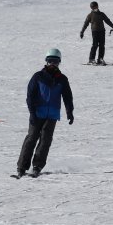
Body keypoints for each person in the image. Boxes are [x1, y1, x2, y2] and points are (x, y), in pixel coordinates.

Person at [17, 48, 74, 178]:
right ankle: (21, 167)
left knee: (45, 141)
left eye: (55, 61)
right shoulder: (38, 76)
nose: (52, 64)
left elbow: (67, 96)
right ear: (46, 61)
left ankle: (37, 166)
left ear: (59, 62)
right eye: (50, 61)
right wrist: (32, 112)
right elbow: (30, 95)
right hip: (37, 113)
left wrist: (70, 111)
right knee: (31, 139)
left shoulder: (62, 79)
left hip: (52, 115)